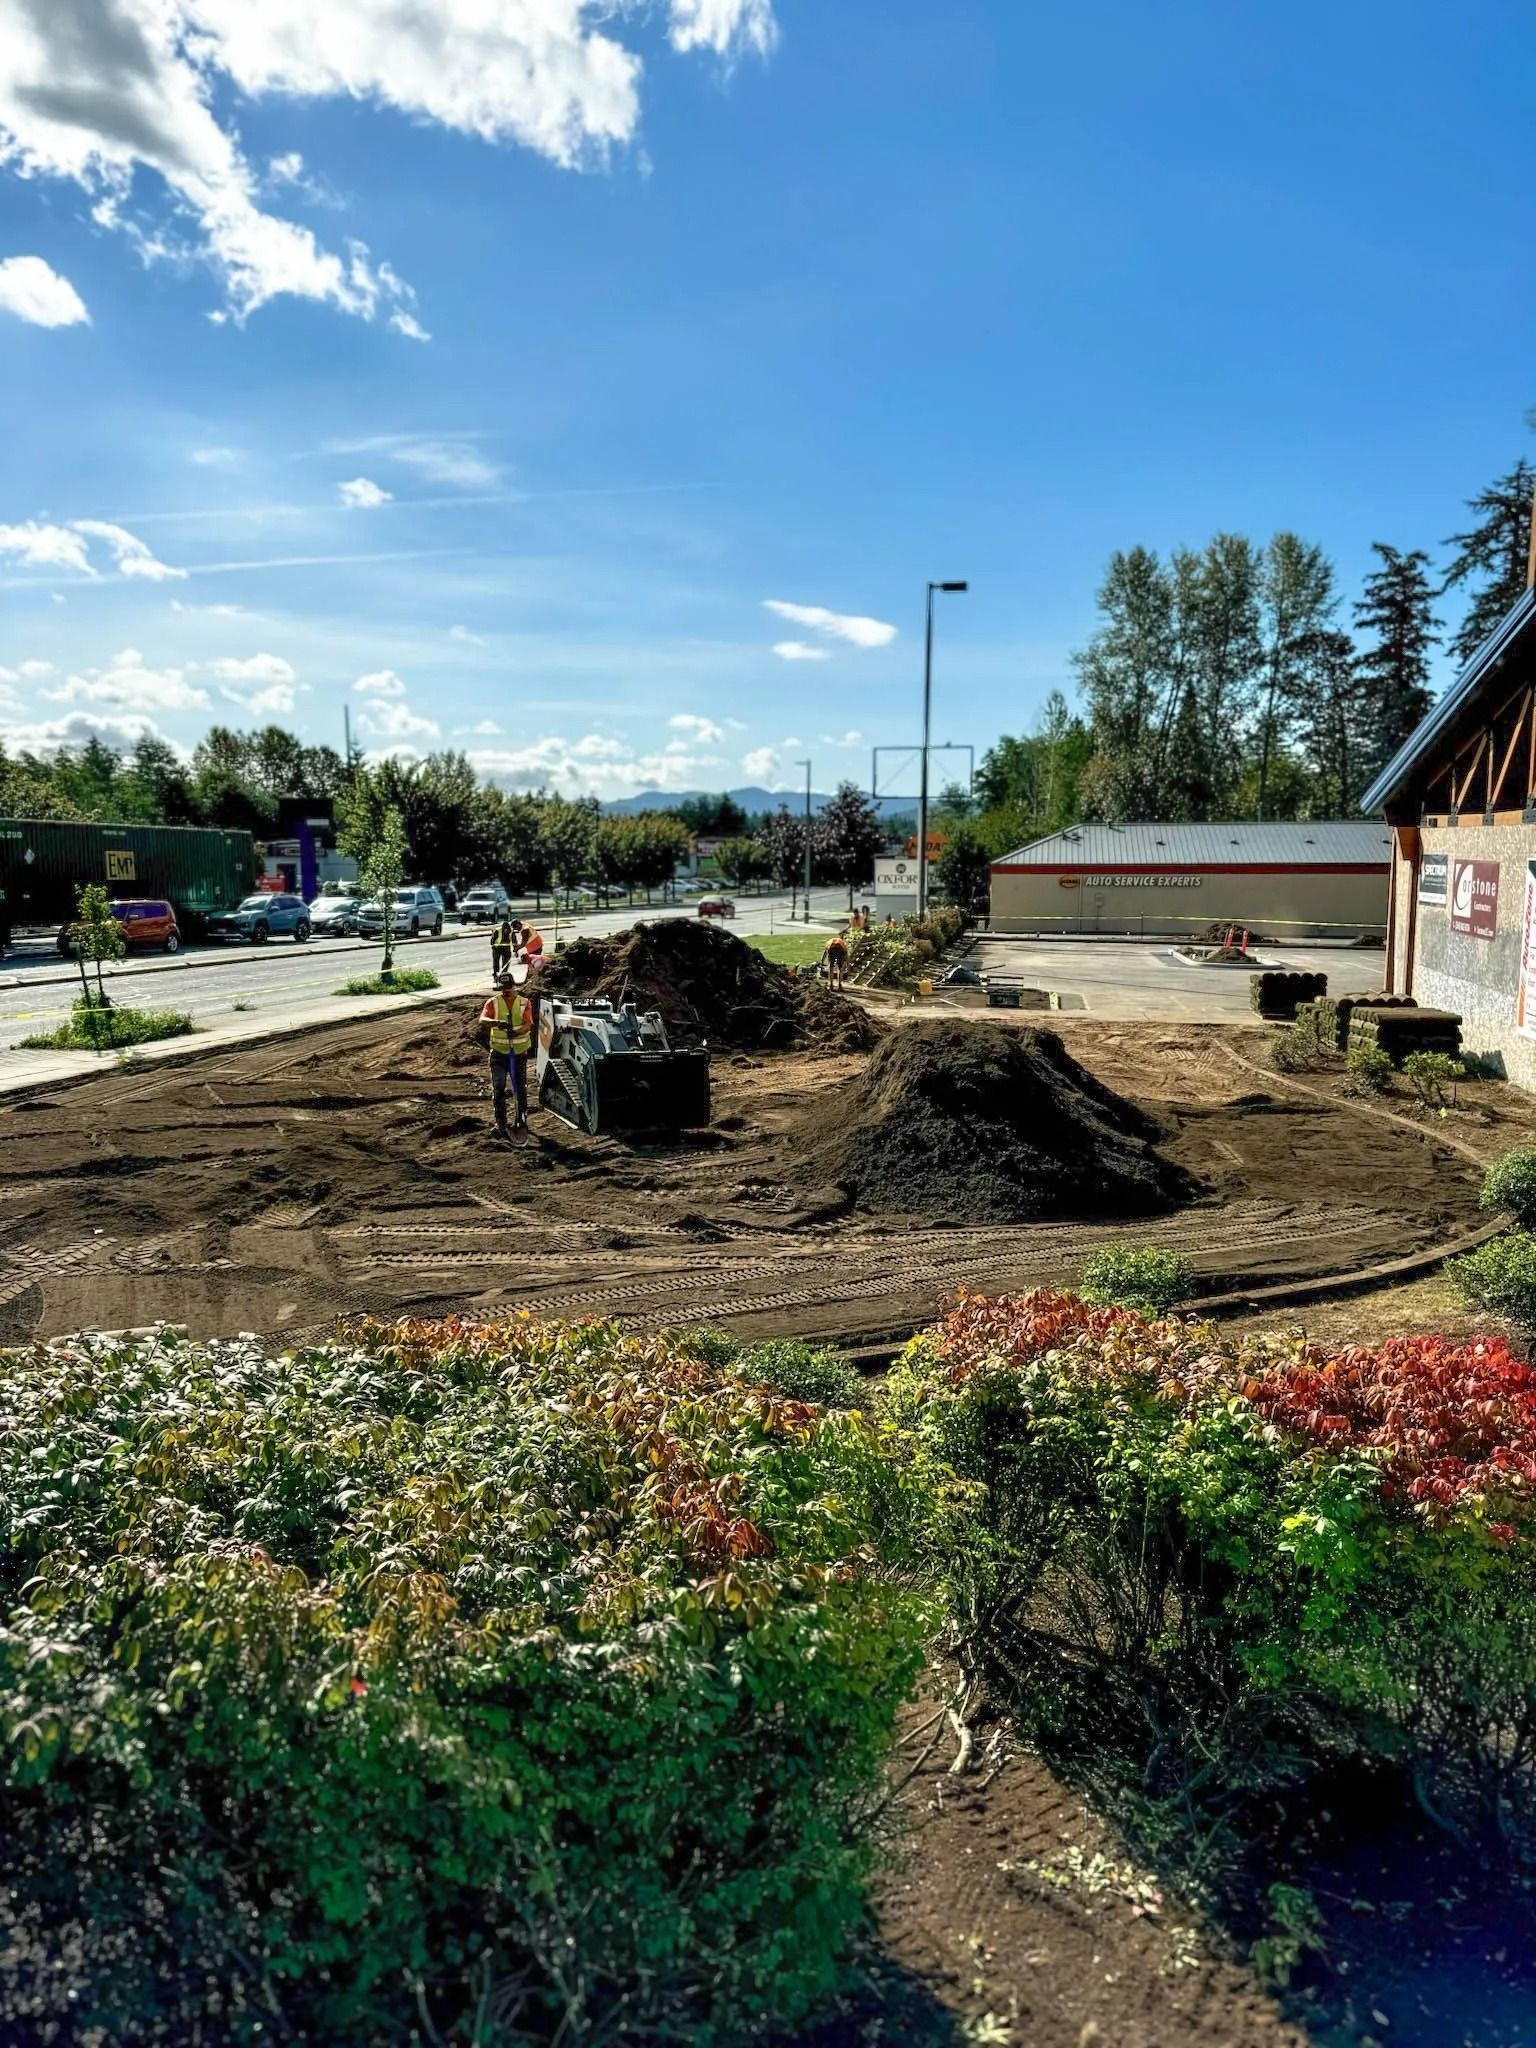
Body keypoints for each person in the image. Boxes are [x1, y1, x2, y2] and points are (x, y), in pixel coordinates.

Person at [478, 967, 535, 1138]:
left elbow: (528, 1024)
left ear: (514, 986)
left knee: (520, 1088)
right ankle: (501, 1124)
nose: (506, 992)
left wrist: (517, 1032)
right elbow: (482, 1019)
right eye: (503, 989)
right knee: (499, 1088)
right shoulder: (493, 1002)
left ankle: (521, 1121)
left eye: (508, 988)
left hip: (518, 1053)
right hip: (499, 1054)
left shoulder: (524, 1003)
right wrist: (496, 1022)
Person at [490, 913, 514, 978]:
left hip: (506, 948)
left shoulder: (511, 931)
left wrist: (515, 949)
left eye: (507, 929)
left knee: (507, 960)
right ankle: (496, 973)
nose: (506, 931)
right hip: (497, 948)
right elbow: (492, 940)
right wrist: (493, 947)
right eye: (505, 929)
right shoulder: (497, 931)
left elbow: (514, 941)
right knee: (496, 961)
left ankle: (504, 972)